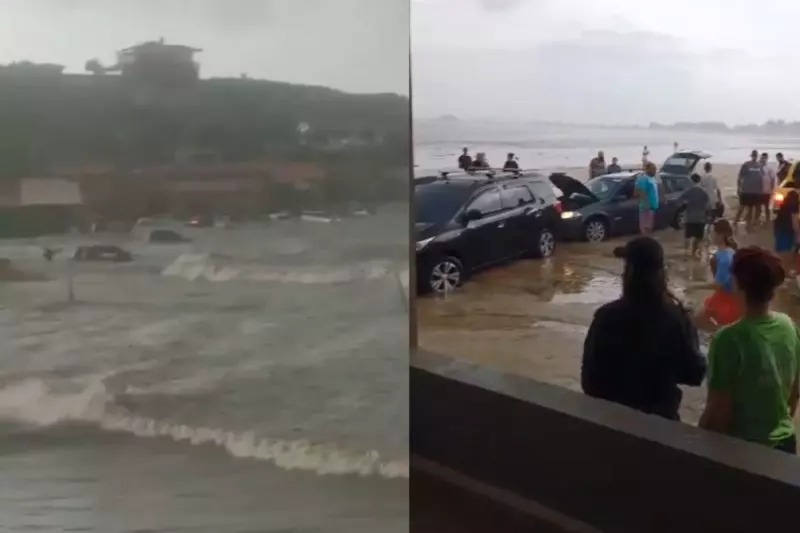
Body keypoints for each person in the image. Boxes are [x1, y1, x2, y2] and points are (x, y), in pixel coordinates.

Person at [581, 236, 706, 420]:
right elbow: (695, 374)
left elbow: (589, 382)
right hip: (661, 425)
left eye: (625, 268)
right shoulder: (675, 318)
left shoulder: (606, 318)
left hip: (613, 423)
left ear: (629, 273)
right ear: (662, 273)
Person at [699, 246, 800, 454]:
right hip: (786, 444)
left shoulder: (728, 339)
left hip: (743, 451)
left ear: (737, 283)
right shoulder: (789, 326)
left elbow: (718, 414)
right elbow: (794, 392)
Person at [694, 219, 742, 330]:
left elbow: (718, 284)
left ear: (721, 235)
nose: (710, 235)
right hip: (728, 298)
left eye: (712, 232)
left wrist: (694, 286)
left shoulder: (724, 257)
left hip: (727, 300)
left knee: (698, 321)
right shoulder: (729, 252)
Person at [772, 174, 800, 274]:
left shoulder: (792, 194)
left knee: (783, 253)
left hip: (780, 226)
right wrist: (798, 235)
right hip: (785, 228)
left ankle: (785, 273)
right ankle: (782, 278)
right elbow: (794, 219)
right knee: (785, 255)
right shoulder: (794, 197)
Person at [681, 173, 711, 258]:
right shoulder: (703, 192)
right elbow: (708, 206)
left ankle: (686, 253)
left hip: (689, 218)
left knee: (687, 236)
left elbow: (681, 202)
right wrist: (708, 216)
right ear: (699, 180)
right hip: (700, 218)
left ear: (691, 181)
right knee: (699, 237)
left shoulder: (688, 191)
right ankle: (694, 252)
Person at [735, 150, 765, 227]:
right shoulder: (746, 164)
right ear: (751, 156)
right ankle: (735, 221)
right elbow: (740, 177)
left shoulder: (760, 165)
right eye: (753, 155)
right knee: (742, 206)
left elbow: (762, 177)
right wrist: (738, 188)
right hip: (746, 190)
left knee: (752, 208)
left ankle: (749, 223)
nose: (754, 157)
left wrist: (762, 190)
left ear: (757, 156)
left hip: (756, 191)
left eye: (755, 155)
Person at [635, 163, 659, 234]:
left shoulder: (652, 179)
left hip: (651, 206)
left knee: (649, 226)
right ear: (648, 169)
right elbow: (642, 192)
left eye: (655, 169)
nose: (655, 171)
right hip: (646, 206)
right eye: (653, 169)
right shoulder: (643, 178)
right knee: (645, 226)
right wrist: (646, 205)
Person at [760, 152, 777, 223]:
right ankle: (758, 218)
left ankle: (767, 219)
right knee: (757, 206)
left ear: (766, 159)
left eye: (764, 158)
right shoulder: (757, 166)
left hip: (767, 190)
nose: (763, 159)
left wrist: (772, 189)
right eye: (762, 157)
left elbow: (773, 179)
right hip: (758, 190)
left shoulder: (769, 168)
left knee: (766, 206)